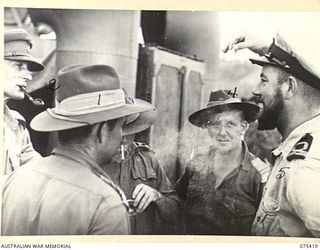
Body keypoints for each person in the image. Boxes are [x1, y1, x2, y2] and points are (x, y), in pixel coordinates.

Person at [2, 64, 154, 235]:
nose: (122, 137)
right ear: (102, 131)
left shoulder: (17, 178)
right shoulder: (105, 202)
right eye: (120, 128)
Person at [223, 25, 320, 237]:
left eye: (264, 80)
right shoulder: (302, 146)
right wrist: (270, 47)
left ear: (290, 88)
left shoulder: (304, 165)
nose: (256, 90)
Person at [175, 90, 269, 235]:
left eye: (230, 124)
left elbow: (267, 231)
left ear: (243, 127)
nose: (222, 132)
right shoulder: (196, 164)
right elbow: (175, 205)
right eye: (215, 124)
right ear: (207, 127)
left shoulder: (259, 175)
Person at [101, 107, 180, 234]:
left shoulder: (148, 158)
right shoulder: (92, 163)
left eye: (129, 132)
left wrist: (157, 197)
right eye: (118, 132)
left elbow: (176, 214)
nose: (124, 140)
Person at [3, 28, 45, 174]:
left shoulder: (16, 124)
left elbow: (38, 169)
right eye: (19, 66)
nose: (29, 77)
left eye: (28, 69)